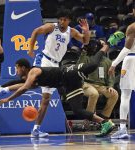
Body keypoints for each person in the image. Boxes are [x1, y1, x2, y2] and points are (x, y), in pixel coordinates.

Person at [0, 43, 115, 137]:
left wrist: (8, 99)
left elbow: (24, 87)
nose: (16, 71)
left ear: (23, 67)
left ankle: (105, 46)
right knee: (78, 110)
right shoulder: (33, 80)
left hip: (68, 72)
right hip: (68, 83)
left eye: (17, 69)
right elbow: (21, 86)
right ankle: (105, 123)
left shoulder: (34, 71)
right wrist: (5, 89)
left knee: (92, 66)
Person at [27, 8, 90, 137]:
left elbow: (86, 41)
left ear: (69, 20)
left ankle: (36, 129)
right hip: (44, 60)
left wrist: (86, 30)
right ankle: (4, 90)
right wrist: (30, 49)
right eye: (60, 19)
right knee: (30, 83)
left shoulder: (71, 31)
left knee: (46, 100)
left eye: (65, 19)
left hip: (55, 65)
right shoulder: (51, 27)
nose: (62, 21)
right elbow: (35, 32)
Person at [77, 39, 118, 119]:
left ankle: (104, 117)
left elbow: (111, 76)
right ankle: (89, 118)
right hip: (87, 84)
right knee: (94, 94)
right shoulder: (87, 58)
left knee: (114, 94)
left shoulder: (107, 61)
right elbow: (79, 65)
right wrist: (84, 51)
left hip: (101, 86)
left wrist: (110, 86)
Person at [108, 22, 135, 139]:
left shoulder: (132, 27)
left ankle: (122, 128)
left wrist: (113, 64)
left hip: (131, 60)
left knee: (125, 95)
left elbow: (126, 49)